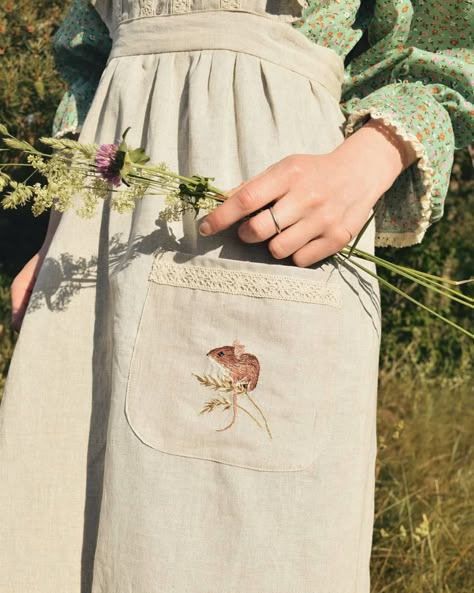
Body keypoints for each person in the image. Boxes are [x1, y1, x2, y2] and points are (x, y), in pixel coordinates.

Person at [1, 1, 472, 592]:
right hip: (95, 230)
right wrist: (56, 232)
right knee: (54, 528)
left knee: (237, 549)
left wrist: (365, 164)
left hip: (265, 216)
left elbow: (447, 41)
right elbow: (94, 65)